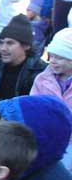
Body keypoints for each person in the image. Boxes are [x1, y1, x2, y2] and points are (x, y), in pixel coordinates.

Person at [31, 27, 72, 170]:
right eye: (52, 56)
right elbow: (34, 106)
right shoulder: (42, 79)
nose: (53, 61)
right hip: (46, 137)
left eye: (60, 57)